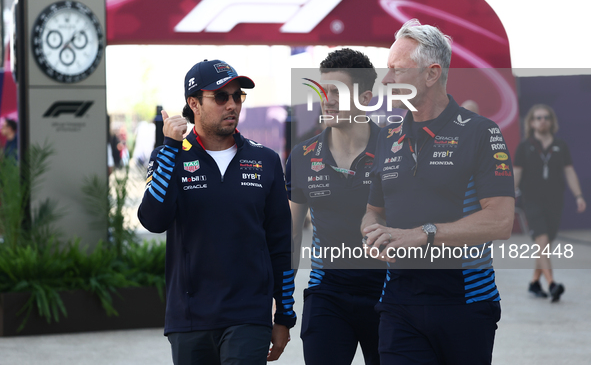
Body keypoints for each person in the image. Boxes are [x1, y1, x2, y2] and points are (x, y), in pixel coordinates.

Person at [360, 19, 515, 364]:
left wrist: (424, 234)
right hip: (399, 302)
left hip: (465, 303)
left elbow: (501, 221)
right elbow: (374, 210)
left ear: (431, 74)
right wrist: (371, 232)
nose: (386, 80)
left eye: (397, 70)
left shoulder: (480, 132)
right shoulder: (387, 136)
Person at [137, 59, 296, 365]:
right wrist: (170, 147)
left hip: (249, 315)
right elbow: (153, 220)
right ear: (193, 103)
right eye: (221, 97)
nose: (232, 105)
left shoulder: (265, 160)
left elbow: (281, 244)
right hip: (189, 318)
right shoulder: (169, 157)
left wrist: (284, 315)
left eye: (238, 96)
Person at [287, 48, 384, 365]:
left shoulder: (398, 150)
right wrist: (282, 301)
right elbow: (291, 237)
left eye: (336, 92)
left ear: (366, 98)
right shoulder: (302, 156)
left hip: (390, 294)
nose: (325, 99)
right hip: (327, 293)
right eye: (322, 90)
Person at [513, 104, 586, 302]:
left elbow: (569, 171)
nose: (542, 120)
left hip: (555, 201)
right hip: (532, 202)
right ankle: (552, 284)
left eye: (546, 117)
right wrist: (508, 197)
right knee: (542, 242)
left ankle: (534, 282)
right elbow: (517, 173)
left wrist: (578, 195)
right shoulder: (525, 146)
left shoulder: (560, 146)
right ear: (531, 122)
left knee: (544, 246)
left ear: (552, 121)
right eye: (538, 117)